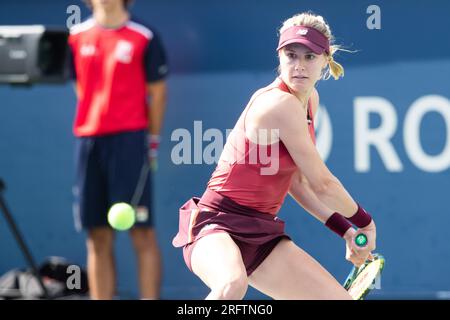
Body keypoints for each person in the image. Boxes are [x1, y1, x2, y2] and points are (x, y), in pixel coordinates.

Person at [173, 12, 376, 300]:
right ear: (279, 57)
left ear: (325, 60)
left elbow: (299, 184)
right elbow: (323, 185)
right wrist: (365, 222)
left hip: (261, 233)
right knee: (231, 285)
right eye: (291, 55)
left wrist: (344, 230)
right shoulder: (279, 104)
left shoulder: (309, 101)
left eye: (309, 57)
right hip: (215, 224)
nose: (300, 66)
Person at [68, 0, 168, 299]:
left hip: (130, 144)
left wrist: (151, 143)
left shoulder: (144, 36)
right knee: (97, 236)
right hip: (90, 144)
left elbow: (158, 94)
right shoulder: (76, 36)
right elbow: (81, 87)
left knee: (142, 233)